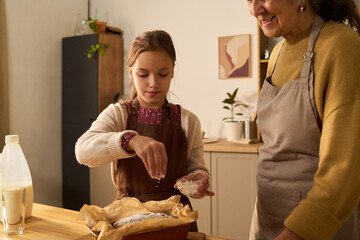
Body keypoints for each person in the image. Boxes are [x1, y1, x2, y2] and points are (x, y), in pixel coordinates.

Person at [75, 30, 214, 232]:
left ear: (173, 71)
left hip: (177, 223)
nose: (153, 83)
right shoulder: (118, 115)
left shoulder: (188, 121)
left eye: (163, 74)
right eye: (143, 74)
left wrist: (198, 179)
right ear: (130, 72)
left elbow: (197, 168)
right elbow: (83, 151)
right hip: (128, 220)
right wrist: (130, 141)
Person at [247, 0, 360, 239]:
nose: (255, 9)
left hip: (312, 228)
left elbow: (344, 167)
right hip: (266, 218)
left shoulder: (340, 44)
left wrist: (297, 233)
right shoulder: (277, 53)